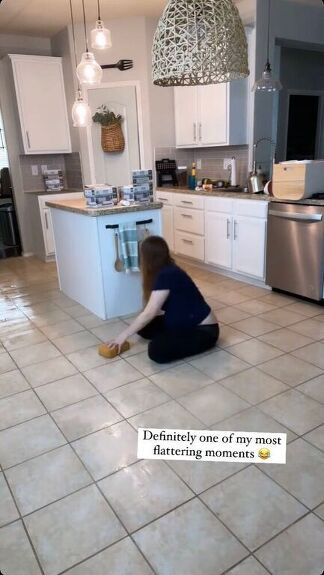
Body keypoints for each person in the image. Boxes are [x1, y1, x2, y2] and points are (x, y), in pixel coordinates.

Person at [107, 235, 219, 363]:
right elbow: (153, 310)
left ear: (148, 258)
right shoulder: (164, 270)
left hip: (204, 331)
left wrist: (123, 335)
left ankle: (172, 338)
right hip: (185, 322)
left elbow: (150, 312)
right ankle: (173, 336)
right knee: (145, 328)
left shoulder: (167, 274)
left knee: (156, 350)